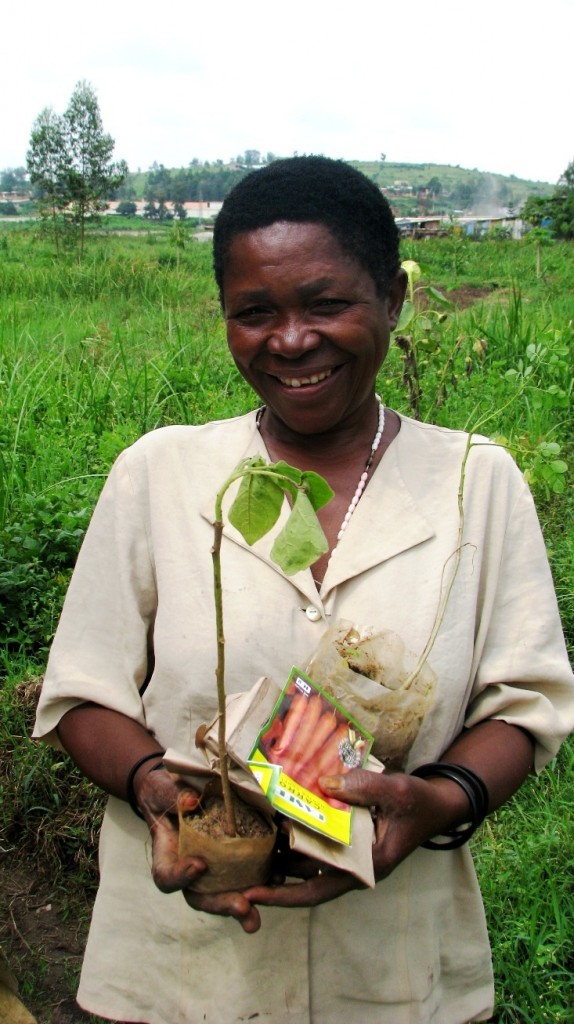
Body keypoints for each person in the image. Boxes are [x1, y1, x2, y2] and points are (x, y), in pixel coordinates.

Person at [33, 156, 574, 1024]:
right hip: (176, 975)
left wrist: (439, 801)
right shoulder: (163, 473)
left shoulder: (479, 482)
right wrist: (156, 792)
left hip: (397, 966)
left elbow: (524, 704)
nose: (290, 339)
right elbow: (81, 694)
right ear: (226, 321)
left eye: (326, 304)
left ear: (393, 298)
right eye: (255, 314)